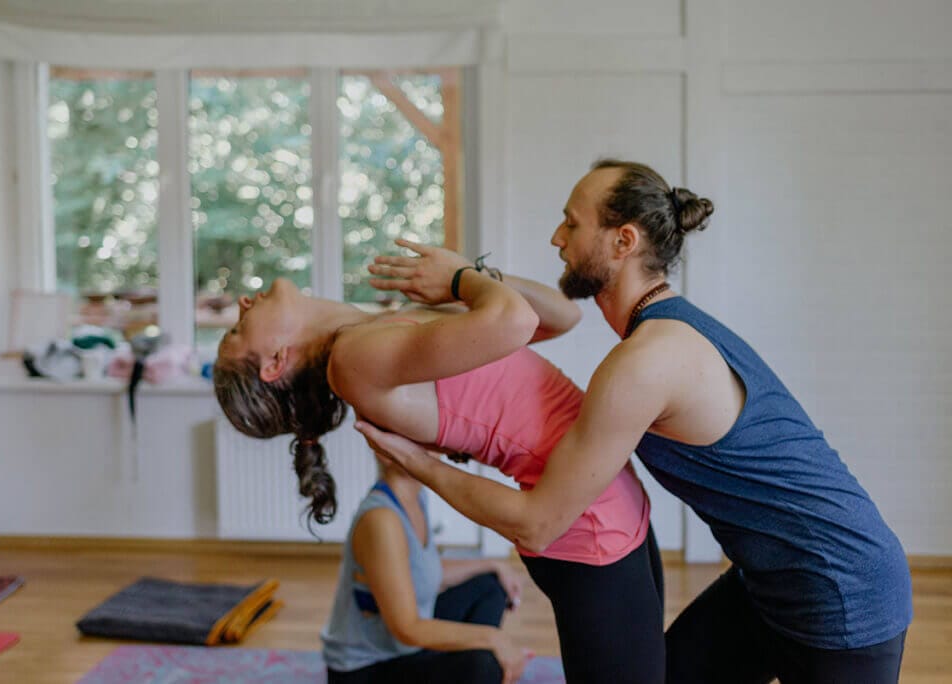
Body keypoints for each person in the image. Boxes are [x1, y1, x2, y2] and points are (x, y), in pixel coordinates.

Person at [356, 159, 913, 683]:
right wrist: (472, 276)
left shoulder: (648, 360)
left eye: (572, 224)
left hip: (843, 590)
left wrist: (416, 462)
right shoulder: (663, 330)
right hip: (770, 581)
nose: (556, 239)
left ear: (623, 242)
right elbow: (555, 314)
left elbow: (538, 524)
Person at [213, 242, 665, 684]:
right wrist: (460, 279)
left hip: (606, 503)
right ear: (274, 362)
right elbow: (515, 319)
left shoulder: (378, 332)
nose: (242, 303)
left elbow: (561, 315)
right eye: (236, 331)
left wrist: (469, 276)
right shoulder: (353, 359)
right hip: (588, 526)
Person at [320, 450, 528, 684]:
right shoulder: (380, 519)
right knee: (483, 665)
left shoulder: (415, 497)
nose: (435, 443)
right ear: (385, 451)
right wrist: (492, 638)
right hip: (367, 670)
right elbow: (407, 629)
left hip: (405, 648)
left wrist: (494, 564)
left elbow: (423, 571)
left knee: (489, 586)